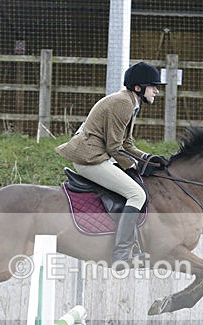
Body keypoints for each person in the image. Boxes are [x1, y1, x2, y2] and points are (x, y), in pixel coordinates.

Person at [56, 61, 167, 267]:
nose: (157, 91)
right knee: (137, 194)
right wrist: (134, 166)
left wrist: (148, 158)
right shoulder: (123, 103)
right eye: (153, 86)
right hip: (90, 158)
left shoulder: (131, 102)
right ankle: (122, 252)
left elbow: (127, 143)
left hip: (98, 155)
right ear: (138, 87)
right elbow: (114, 147)